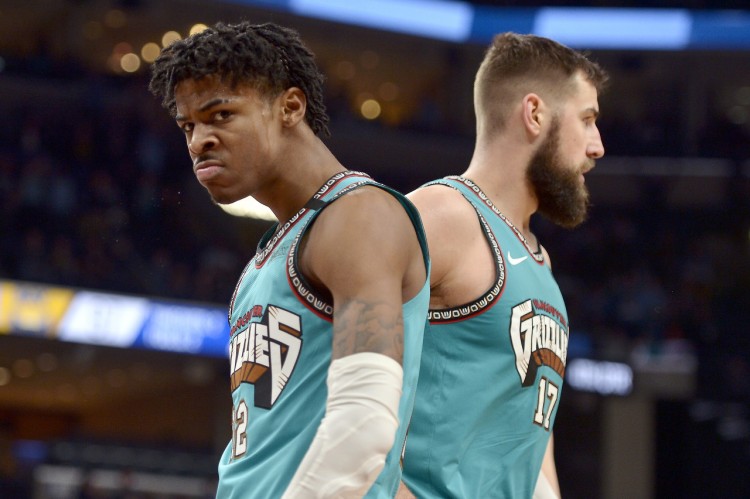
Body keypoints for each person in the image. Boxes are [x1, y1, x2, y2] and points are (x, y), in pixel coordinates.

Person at [148, 21, 430, 499]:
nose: (198, 141)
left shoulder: (358, 215)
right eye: (188, 126)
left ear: (290, 107)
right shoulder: (274, 248)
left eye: (221, 115)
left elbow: (364, 425)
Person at [399, 32, 608, 498]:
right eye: (587, 120)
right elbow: (332, 377)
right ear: (534, 114)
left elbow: (529, 438)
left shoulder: (539, 259)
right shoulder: (442, 214)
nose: (597, 146)